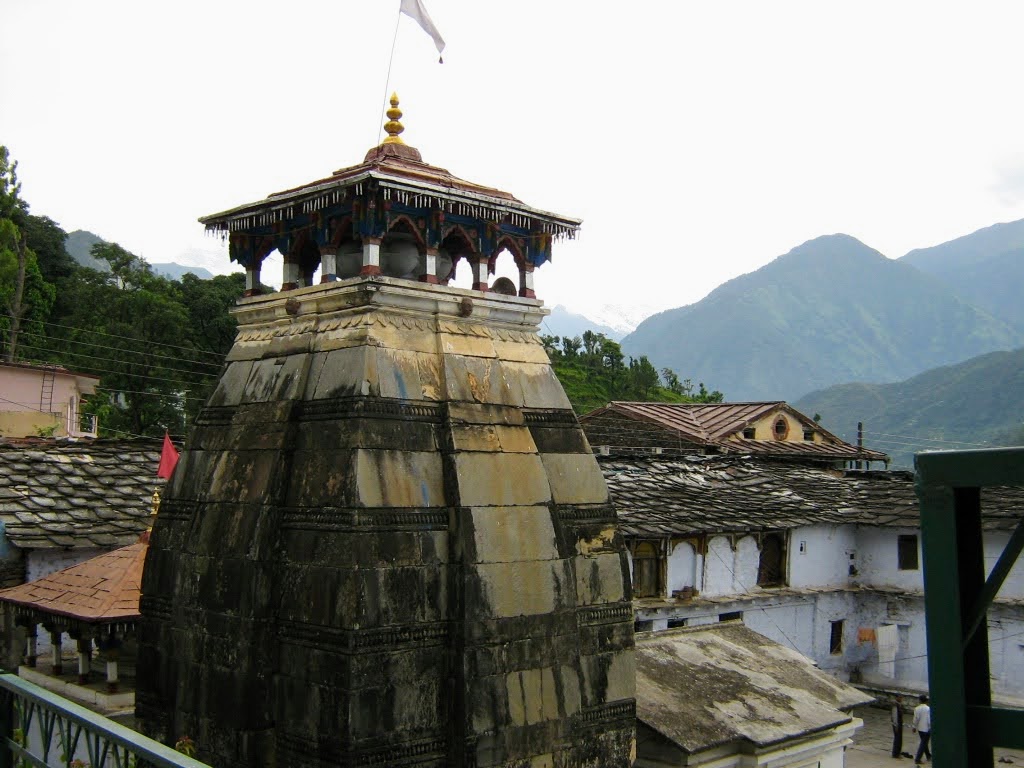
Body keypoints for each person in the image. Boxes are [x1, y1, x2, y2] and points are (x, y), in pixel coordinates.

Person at [912, 694, 931, 764]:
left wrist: (914, 727)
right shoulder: (928, 709)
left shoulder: (917, 708)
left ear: (919, 700)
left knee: (924, 742)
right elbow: (929, 719)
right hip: (927, 728)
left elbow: (915, 719)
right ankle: (917, 758)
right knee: (923, 743)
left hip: (920, 728)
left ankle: (928, 755)